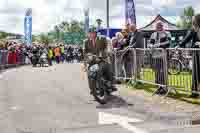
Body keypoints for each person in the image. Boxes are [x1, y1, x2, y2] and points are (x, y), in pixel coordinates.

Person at [83, 28, 117, 94]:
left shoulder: (102, 38)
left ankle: (112, 84)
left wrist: (108, 51)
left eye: (93, 33)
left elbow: (107, 46)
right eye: (90, 33)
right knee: (89, 72)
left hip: (103, 59)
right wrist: (85, 63)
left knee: (109, 69)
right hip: (92, 61)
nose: (91, 34)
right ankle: (92, 89)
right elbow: (84, 52)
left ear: (96, 33)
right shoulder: (86, 41)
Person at [177, 14, 200, 98]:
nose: (192, 21)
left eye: (194, 19)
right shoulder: (193, 30)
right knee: (195, 73)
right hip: (196, 54)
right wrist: (179, 45)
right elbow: (186, 39)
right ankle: (194, 92)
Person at [149, 22, 171, 95]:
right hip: (156, 55)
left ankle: (164, 87)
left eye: (159, 26)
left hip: (164, 55)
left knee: (163, 71)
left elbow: (168, 42)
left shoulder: (167, 33)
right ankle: (159, 86)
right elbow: (151, 42)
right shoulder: (153, 34)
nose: (158, 27)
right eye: (157, 26)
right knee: (157, 71)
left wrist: (158, 45)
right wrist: (151, 45)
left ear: (162, 26)